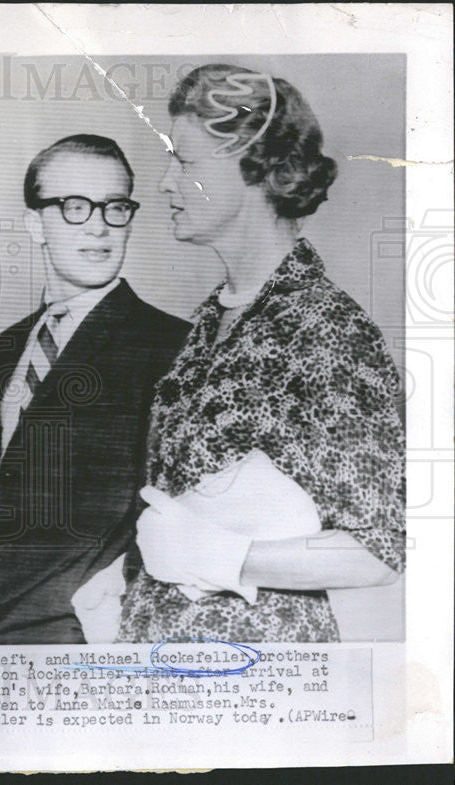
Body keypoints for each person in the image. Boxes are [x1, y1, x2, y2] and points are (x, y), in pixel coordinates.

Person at [115, 64, 404, 643]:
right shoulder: (211, 319)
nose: (167, 183)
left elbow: (378, 553)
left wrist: (225, 555)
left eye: (187, 162)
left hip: (261, 670)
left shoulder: (328, 331)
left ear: (258, 173)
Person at [0, 135, 190, 645]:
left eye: (115, 207)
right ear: (34, 223)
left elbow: (179, 506)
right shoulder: (11, 346)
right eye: (74, 207)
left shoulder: (170, 344)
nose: (98, 225)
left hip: (88, 626)